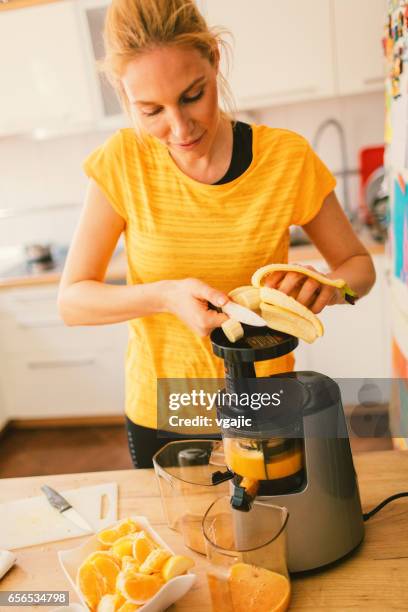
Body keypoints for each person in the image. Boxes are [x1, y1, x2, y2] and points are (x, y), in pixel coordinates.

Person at [58, 0, 376, 468]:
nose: (180, 128)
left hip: (265, 404)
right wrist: (165, 296)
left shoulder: (286, 158)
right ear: (124, 97)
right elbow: (72, 301)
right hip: (164, 408)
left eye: (192, 95)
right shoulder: (121, 163)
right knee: (176, 540)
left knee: (278, 533)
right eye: (151, 110)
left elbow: (360, 269)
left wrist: (328, 288)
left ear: (215, 60)